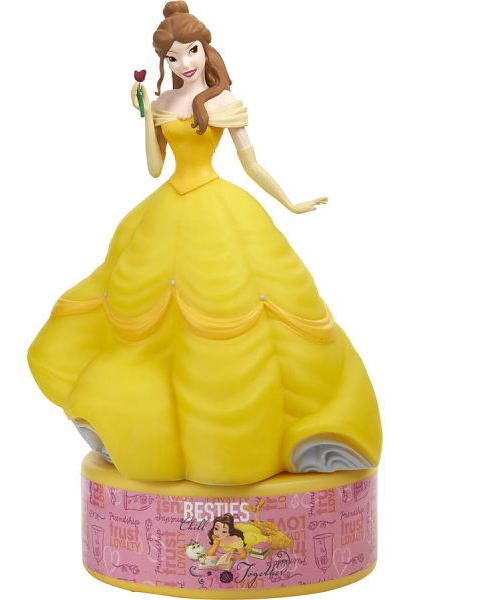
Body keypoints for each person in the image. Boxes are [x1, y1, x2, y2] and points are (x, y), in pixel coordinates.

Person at [27, 1, 382, 486]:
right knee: (140, 307)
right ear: (164, 62)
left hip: (216, 206)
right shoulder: (164, 103)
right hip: (167, 208)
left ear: (204, 49)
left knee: (235, 301)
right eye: (173, 57)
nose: (184, 63)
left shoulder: (222, 102)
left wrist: (291, 203)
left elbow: (252, 164)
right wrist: (145, 118)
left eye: (190, 51)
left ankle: (254, 431)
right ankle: (135, 420)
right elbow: (155, 168)